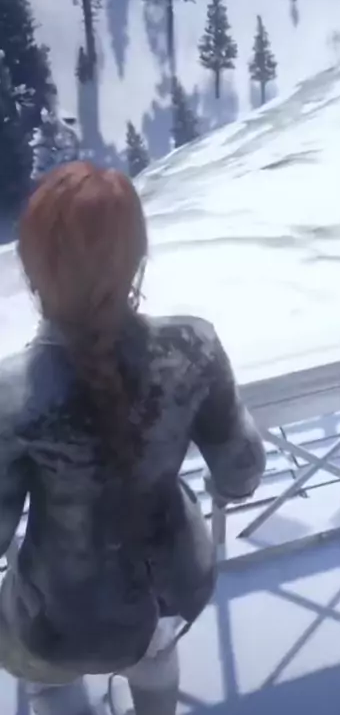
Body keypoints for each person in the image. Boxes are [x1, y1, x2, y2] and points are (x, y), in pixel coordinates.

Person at [0, 162, 266, 715]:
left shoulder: (14, 392)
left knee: (46, 673)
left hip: (66, 616)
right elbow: (241, 471)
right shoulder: (194, 344)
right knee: (155, 650)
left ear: (35, 269)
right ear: (136, 259)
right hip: (176, 582)